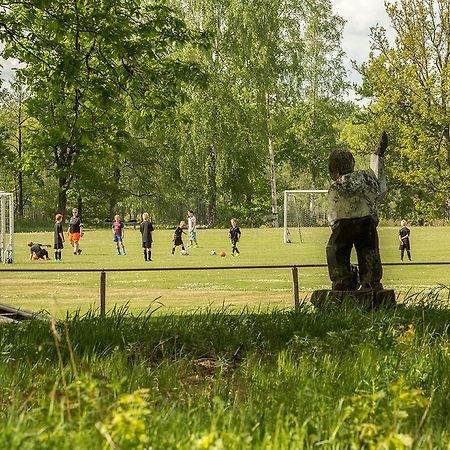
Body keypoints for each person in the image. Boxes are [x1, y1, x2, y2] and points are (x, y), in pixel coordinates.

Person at [326, 131, 388, 291]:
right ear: (352, 163)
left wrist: (334, 226)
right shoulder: (366, 178)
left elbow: (332, 215)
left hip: (343, 225)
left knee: (336, 250)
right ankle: (371, 282)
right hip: (367, 221)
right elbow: (380, 190)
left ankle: (342, 281)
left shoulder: (336, 186)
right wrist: (377, 158)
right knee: (369, 251)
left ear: (334, 170)